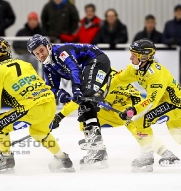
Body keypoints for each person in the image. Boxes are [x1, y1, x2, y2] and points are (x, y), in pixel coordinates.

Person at [52, 68, 180, 168]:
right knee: (85, 117)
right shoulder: (95, 75)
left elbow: (78, 100)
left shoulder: (104, 77)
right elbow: (79, 100)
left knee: (137, 130)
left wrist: (60, 115)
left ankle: (166, 154)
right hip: (111, 109)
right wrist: (60, 115)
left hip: (129, 106)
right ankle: (98, 152)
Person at [0, 37, 74, 173]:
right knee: (39, 132)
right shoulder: (24, 63)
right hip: (49, 103)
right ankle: (63, 159)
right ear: (7, 49)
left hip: (32, 108)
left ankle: (6, 158)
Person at [27, 34, 111, 164]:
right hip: (87, 69)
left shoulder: (61, 52)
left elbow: (74, 68)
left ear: (48, 46)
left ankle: (96, 144)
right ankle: (98, 150)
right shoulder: (47, 66)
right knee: (84, 103)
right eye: (36, 54)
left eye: (41, 50)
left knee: (84, 95)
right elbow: (50, 87)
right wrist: (60, 94)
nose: (40, 55)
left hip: (96, 60)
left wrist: (76, 88)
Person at [110, 38, 181, 172]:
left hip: (175, 106)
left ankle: (147, 156)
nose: (131, 58)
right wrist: (99, 91)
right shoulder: (135, 69)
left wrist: (133, 110)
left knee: (141, 119)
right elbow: (116, 80)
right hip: (166, 103)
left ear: (144, 56)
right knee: (178, 136)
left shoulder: (157, 73)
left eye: (134, 55)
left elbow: (152, 101)